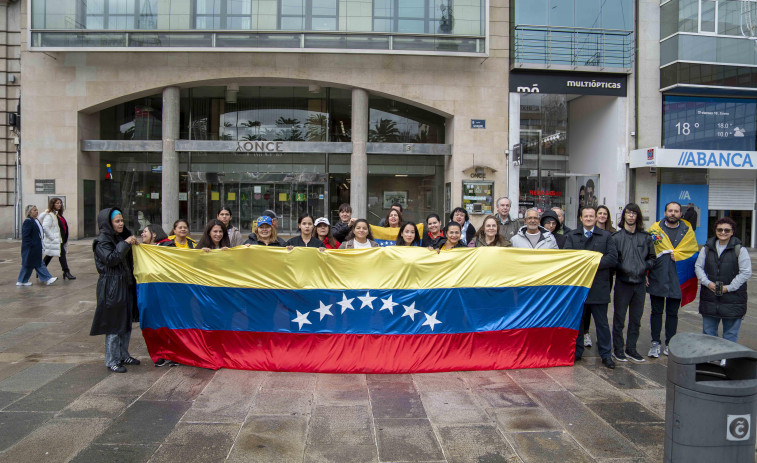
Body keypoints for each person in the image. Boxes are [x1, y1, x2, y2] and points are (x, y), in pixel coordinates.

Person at [565, 206, 619, 369]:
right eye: (585, 216)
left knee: (602, 323)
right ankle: (577, 352)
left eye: (591, 216)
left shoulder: (606, 236)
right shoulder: (572, 236)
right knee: (578, 322)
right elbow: (567, 257)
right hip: (579, 287)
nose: (588, 218)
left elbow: (612, 258)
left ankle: (605, 355)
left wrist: (591, 264)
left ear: (596, 218)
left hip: (599, 286)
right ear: (580, 219)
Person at [90, 208, 140, 373]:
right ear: (108, 223)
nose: (121, 224)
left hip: (124, 284)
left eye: (122, 221)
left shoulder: (120, 237)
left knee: (125, 323)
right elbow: (111, 259)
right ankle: (112, 360)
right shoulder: (102, 241)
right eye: (117, 221)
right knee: (113, 324)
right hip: (111, 286)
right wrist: (125, 243)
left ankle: (123, 354)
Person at [695, 217, 752, 346]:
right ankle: (709, 356)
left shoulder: (740, 250)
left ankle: (726, 360)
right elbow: (698, 267)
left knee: (730, 334)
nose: (723, 232)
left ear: (732, 232)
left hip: (734, 299)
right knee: (709, 333)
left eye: (727, 230)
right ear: (715, 230)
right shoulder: (707, 248)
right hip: (710, 297)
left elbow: (746, 272)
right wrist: (707, 282)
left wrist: (729, 287)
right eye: (720, 229)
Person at [611, 203, 656, 363]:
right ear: (624, 216)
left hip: (639, 284)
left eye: (633, 213)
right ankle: (618, 349)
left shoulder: (645, 237)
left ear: (637, 217)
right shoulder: (616, 238)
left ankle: (631, 349)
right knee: (619, 319)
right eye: (628, 213)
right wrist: (621, 267)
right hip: (623, 283)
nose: (631, 216)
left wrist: (645, 267)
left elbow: (652, 258)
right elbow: (612, 259)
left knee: (636, 319)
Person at [646, 202, 690, 358]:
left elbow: (692, 252)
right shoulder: (654, 230)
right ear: (665, 212)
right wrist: (645, 273)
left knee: (673, 313)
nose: (673, 213)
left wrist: (679, 256)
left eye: (676, 211)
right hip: (658, 276)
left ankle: (670, 343)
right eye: (670, 210)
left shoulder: (687, 230)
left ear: (680, 214)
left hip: (678, 277)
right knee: (656, 312)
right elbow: (647, 252)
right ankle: (655, 343)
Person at [17, 205, 57, 286]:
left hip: (36, 246)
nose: (36, 211)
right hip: (31, 248)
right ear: (29, 212)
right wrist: (31, 246)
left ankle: (22, 281)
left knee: (28, 265)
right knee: (38, 263)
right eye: (34, 210)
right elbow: (26, 237)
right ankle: (48, 278)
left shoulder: (36, 220)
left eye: (37, 210)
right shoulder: (28, 221)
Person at [40, 197, 75, 280]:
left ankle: (40, 271)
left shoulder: (59, 215)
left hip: (62, 239)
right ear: (52, 204)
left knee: (49, 256)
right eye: (57, 203)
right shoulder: (50, 215)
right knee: (62, 255)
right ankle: (66, 272)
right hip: (56, 240)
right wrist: (53, 238)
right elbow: (45, 227)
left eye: (60, 203)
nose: (59, 205)